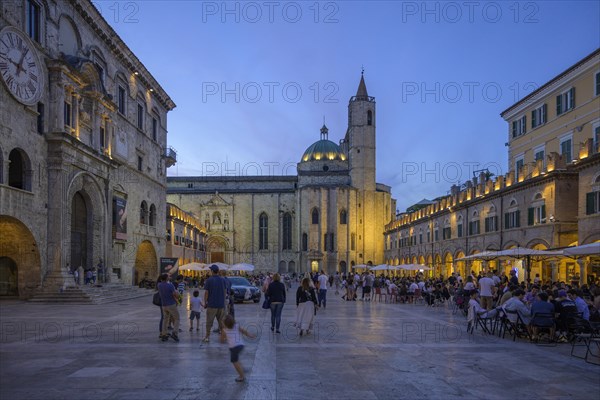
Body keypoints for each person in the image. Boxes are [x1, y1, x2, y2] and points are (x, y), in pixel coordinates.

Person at [220, 314, 255, 383]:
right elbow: (244, 331)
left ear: (224, 324)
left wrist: (224, 338)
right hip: (241, 345)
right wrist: (250, 335)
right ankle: (241, 369)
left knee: (234, 361)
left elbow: (221, 340)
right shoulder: (236, 326)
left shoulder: (224, 330)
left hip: (234, 347)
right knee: (236, 360)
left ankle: (241, 376)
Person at [203, 264, 227, 343]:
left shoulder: (209, 280)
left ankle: (207, 337)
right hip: (221, 304)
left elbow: (206, 292)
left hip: (212, 305)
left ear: (212, 271)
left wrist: (205, 302)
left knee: (209, 322)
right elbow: (225, 291)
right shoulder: (223, 280)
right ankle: (224, 337)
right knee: (222, 322)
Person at [157, 273, 180, 342]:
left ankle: (164, 334)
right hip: (171, 304)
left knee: (165, 319)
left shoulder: (159, 285)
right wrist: (177, 293)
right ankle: (175, 333)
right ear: (166, 278)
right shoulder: (170, 285)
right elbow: (175, 295)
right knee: (177, 318)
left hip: (164, 305)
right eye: (168, 276)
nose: (170, 277)